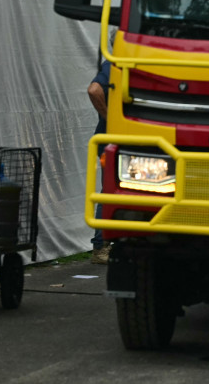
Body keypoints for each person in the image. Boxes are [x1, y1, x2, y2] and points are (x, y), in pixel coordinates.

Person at [88, 60, 111, 265]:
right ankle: (99, 246)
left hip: (112, 141)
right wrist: (112, 121)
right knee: (109, 192)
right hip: (112, 141)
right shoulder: (115, 64)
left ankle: (103, 245)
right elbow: (94, 90)